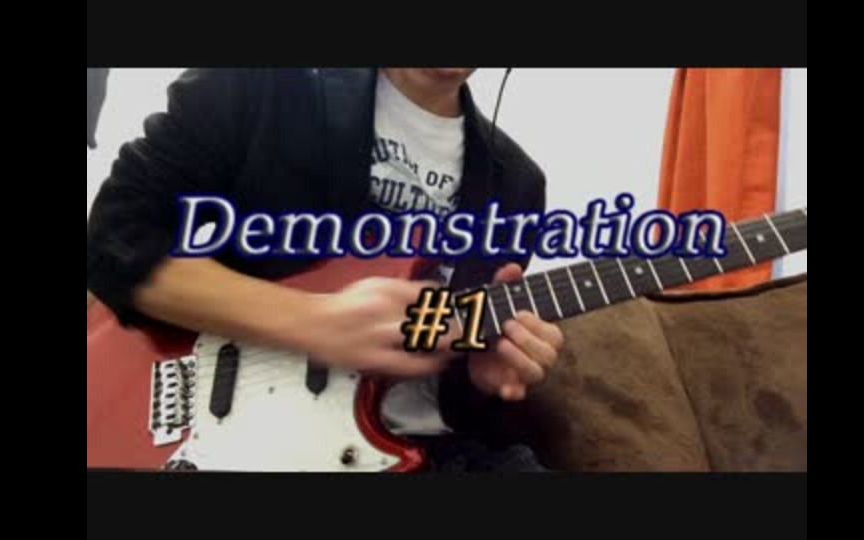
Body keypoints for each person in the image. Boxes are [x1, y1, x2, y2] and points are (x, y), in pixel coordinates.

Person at [86, 68, 564, 472]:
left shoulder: (517, 184)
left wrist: (481, 376)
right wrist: (314, 321)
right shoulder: (261, 82)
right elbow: (116, 237)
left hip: (418, 452)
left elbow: (451, 394)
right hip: (222, 434)